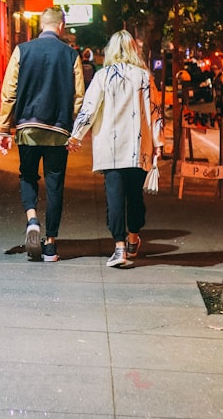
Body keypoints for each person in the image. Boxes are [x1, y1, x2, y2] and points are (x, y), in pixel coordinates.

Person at [68, 30, 164, 268]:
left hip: (110, 149)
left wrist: (76, 136)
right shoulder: (144, 77)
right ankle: (133, 238)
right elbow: (155, 113)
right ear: (134, 50)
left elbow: (89, 109)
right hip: (139, 146)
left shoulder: (103, 77)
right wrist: (159, 143)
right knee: (134, 195)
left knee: (114, 197)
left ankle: (119, 247)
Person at [0, 7, 86, 262]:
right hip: (58, 130)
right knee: (55, 183)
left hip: (27, 127)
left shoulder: (22, 50)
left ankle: (32, 218)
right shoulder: (71, 55)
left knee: (27, 175)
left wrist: (4, 128)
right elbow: (79, 97)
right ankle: (50, 245)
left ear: (42, 26)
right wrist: (75, 130)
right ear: (61, 27)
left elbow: (9, 91)